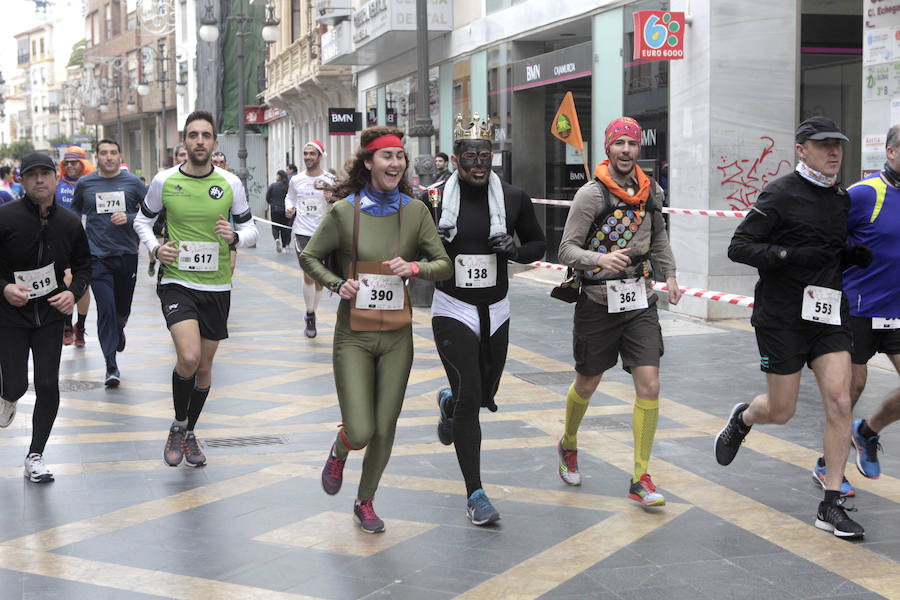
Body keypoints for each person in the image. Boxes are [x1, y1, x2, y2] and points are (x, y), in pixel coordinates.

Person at [716, 116, 872, 539]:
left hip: (827, 314)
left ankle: (831, 504)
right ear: (801, 149)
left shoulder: (840, 198)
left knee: (840, 401)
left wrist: (848, 256)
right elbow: (739, 246)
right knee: (781, 411)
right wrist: (786, 255)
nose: (834, 152)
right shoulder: (780, 193)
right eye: (823, 145)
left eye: (837, 144)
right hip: (782, 317)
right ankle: (744, 418)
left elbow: (827, 250)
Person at [299, 126, 451, 533]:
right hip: (354, 337)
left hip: (398, 337)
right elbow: (309, 257)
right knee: (361, 429)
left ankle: (365, 501)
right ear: (368, 163)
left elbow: (444, 264)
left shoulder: (415, 211)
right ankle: (340, 449)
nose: (396, 163)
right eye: (387, 157)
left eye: (400, 156)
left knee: (385, 427)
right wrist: (337, 284)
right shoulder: (343, 212)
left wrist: (415, 267)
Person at [421, 114, 545, 525]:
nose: (478, 163)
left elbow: (539, 245)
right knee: (472, 395)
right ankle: (475, 493)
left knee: (486, 393)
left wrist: (512, 248)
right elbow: (414, 249)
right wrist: (433, 249)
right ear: (455, 159)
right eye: (470, 156)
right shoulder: (435, 200)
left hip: (497, 309)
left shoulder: (512, 198)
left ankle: (449, 402)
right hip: (452, 308)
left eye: (485, 155)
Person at [556, 116, 682, 507]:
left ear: (638, 148)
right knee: (587, 384)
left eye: (631, 143)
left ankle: (640, 475)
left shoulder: (651, 191)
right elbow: (565, 250)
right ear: (608, 149)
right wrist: (599, 258)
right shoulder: (590, 196)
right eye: (619, 144)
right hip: (596, 301)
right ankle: (569, 442)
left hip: (639, 299)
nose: (626, 150)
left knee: (650, 384)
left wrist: (672, 275)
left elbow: (658, 236)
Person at [133, 110, 259, 468]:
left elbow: (253, 232)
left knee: (204, 368)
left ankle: (190, 432)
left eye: (206, 135)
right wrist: (156, 248)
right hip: (177, 282)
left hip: (217, 286)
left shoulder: (230, 183)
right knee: (187, 358)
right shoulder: (164, 181)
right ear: (184, 142)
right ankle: (177, 424)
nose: (199, 141)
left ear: (215, 144)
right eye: (193, 135)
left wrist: (235, 237)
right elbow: (141, 220)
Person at [0, 153, 91, 482]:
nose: (39, 180)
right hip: (10, 316)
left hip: (50, 315)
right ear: (21, 182)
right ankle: (7, 394)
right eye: (32, 175)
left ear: (55, 179)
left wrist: (73, 292)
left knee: (48, 384)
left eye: (45, 174)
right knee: (15, 384)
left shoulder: (68, 223)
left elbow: (83, 265)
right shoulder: (5, 218)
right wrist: (5, 288)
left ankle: (35, 455)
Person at [832, 123, 900, 486]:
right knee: (851, 390)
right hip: (858, 307)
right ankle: (830, 466)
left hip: (897, 309)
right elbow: (828, 240)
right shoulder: (863, 193)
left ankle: (868, 432)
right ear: (891, 152)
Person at [70, 139, 146, 387]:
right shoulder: (85, 184)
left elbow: (153, 214)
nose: (109, 157)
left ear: (120, 155)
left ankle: (120, 326)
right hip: (97, 258)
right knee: (105, 307)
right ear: (97, 157)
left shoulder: (133, 183)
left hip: (126, 256)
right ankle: (111, 366)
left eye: (113, 152)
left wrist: (130, 217)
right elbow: (73, 214)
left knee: (121, 308)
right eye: (104, 153)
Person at [286, 141, 336, 338]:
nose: (308, 157)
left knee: (320, 280)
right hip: (302, 233)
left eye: (312, 154)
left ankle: (312, 311)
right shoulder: (296, 180)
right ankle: (310, 314)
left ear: (320, 156)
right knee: (309, 274)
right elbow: (289, 198)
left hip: (324, 233)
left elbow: (340, 201)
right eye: (305, 153)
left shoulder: (330, 179)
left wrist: (330, 197)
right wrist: (289, 208)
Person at [56, 146, 95, 347]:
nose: (70, 166)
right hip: (62, 243)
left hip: (86, 243)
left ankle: (80, 326)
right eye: (67, 163)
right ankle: (66, 325)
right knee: (66, 281)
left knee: (83, 286)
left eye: (74, 162)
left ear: (83, 163)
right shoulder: (57, 183)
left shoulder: (91, 183)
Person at [148, 145, 184, 277]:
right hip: (161, 225)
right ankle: (153, 262)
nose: (184, 158)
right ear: (175, 159)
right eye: (181, 155)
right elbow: (145, 218)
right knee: (160, 251)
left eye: (186, 154)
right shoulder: (164, 180)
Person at [265, 169, 291, 253]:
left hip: (274, 209)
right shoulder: (287, 186)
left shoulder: (273, 185)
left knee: (275, 226)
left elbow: (267, 197)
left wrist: (271, 203)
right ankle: (284, 247)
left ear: (278, 176)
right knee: (284, 228)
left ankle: (276, 239)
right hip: (285, 209)